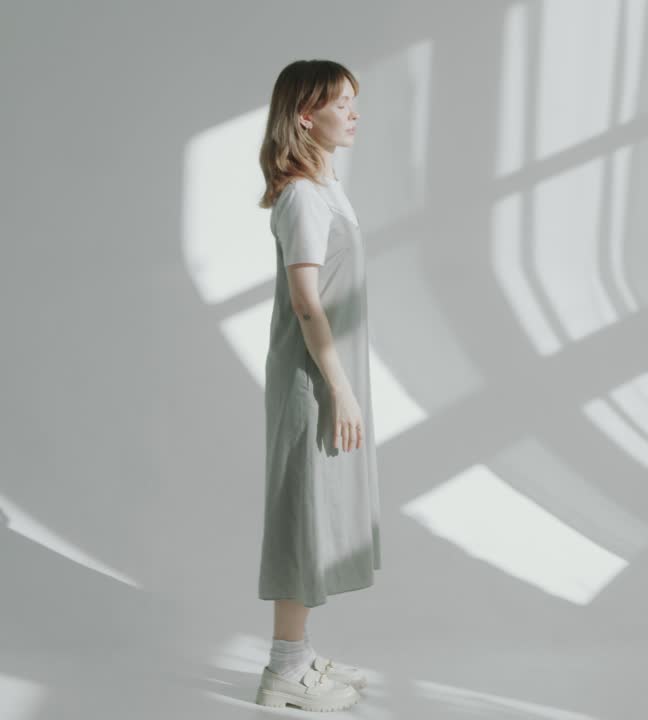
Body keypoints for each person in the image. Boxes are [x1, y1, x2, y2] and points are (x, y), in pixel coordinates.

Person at [252, 59, 381, 712]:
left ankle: (298, 657)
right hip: (312, 378)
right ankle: (283, 674)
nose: (354, 112)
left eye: (355, 100)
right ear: (306, 114)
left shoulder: (327, 189)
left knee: (319, 514)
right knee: (300, 515)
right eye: (341, 102)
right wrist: (341, 388)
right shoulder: (302, 196)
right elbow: (307, 303)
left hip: (330, 374)